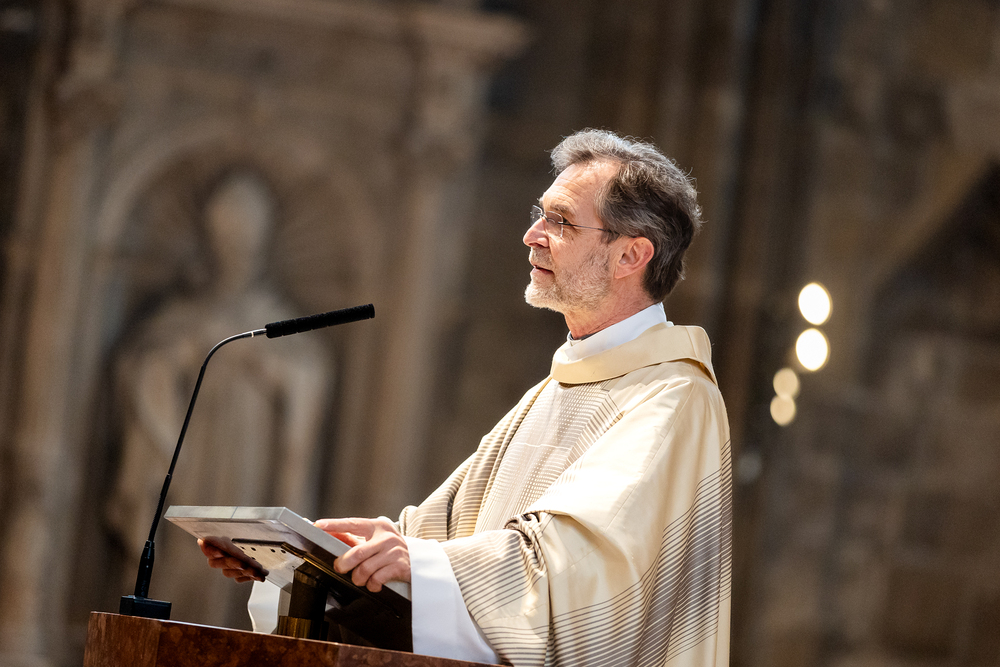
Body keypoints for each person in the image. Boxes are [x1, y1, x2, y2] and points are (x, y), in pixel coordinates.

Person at [201, 129, 731, 666]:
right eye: (541, 213)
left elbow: (579, 578)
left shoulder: (673, 399)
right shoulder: (555, 389)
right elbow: (446, 536)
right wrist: (316, 562)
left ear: (631, 255)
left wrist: (420, 562)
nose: (532, 234)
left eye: (561, 221)